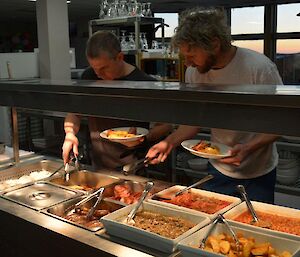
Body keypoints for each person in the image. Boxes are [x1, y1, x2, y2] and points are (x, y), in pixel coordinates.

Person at [146, 7, 283, 204]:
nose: (188, 63)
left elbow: (281, 122)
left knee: (257, 229)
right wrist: (169, 142)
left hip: (258, 171)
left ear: (214, 44)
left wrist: (250, 147)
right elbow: (194, 122)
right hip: (218, 168)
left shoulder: (259, 68)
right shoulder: (194, 73)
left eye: (191, 56)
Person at [63, 31, 172, 170]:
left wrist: (145, 136)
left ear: (119, 57)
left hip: (133, 164)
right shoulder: (88, 76)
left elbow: (166, 125)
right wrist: (70, 134)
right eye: (94, 68)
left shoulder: (143, 82)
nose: (98, 74)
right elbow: (74, 113)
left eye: (103, 68)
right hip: (98, 162)